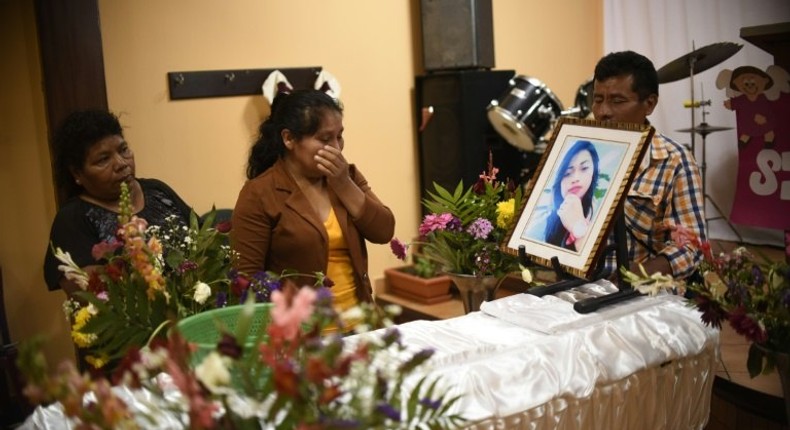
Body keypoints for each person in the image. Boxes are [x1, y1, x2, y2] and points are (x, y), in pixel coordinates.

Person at [231, 89, 395, 332]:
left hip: (362, 328)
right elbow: (246, 280)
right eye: (325, 139)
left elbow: (384, 231)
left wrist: (343, 185)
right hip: (302, 338)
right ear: (289, 139)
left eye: (339, 137)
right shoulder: (259, 193)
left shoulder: (346, 177)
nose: (336, 148)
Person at [44, 110, 192, 294]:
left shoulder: (157, 191)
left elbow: (203, 239)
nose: (122, 163)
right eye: (103, 159)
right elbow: (86, 293)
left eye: (123, 150)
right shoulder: (72, 219)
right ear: (77, 173)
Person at [592, 51, 706, 280]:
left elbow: (692, 246)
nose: (603, 112)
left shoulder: (674, 161)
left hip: (641, 293)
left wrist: (640, 274)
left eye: (617, 101)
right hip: (580, 285)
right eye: (597, 100)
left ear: (649, 104)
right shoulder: (580, 154)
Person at [544, 140, 600, 251]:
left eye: (584, 168)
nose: (575, 179)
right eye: (567, 173)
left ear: (594, 171)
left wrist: (577, 227)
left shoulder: (599, 213)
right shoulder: (551, 218)